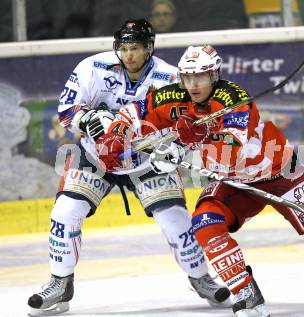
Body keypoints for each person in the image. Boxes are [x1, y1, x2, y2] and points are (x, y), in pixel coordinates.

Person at [97, 45, 304, 316]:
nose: (194, 84)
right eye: (188, 76)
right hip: (235, 183)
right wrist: (117, 134)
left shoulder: (233, 99)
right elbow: (133, 112)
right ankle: (246, 293)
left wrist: (196, 137)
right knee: (205, 223)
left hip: (279, 173)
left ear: (215, 75)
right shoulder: (170, 96)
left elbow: (237, 147)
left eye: (202, 76)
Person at [26, 21, 230, 316]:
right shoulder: (91, 67)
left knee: (175, 220)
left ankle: (201, 279)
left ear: (149, 48)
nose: (129, 55)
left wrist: (173, 150)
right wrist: (86, 121)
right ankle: (60, 284)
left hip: (147, 161)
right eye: (123, 48)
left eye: (135, 48)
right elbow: (66, 110)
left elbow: (186, 128)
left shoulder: (170, 78)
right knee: (65, 213)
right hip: (96, 158)